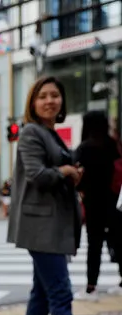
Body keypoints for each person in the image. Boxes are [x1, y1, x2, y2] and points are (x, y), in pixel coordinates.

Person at [7, 76, 114, 315]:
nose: (51, 100)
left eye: (56, 95)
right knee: (60, 293)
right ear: (33, 102)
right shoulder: (30, 132)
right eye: (44, 96)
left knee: (42, 290)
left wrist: (72, 172)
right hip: (40, 225)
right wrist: (66, 172)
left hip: (50, 224)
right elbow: (37, 175)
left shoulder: (50, 133)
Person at [74, 111, 122, 300]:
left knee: (94, 246)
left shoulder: (84, 148)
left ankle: (91, 287)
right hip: (115, 203)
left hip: (93, 205)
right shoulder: (114, 145)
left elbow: (79, 178)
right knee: (119, 243)